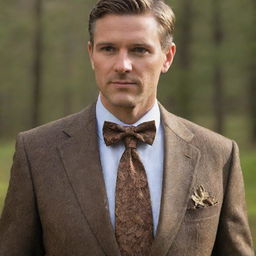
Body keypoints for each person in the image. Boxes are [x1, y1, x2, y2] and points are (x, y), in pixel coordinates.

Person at [0, 0, 254, 255]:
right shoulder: (36, 153)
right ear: (91, 55)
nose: (122, 65)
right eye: (108, 49)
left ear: (167, 57)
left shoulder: (218, 155)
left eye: (139, 50)